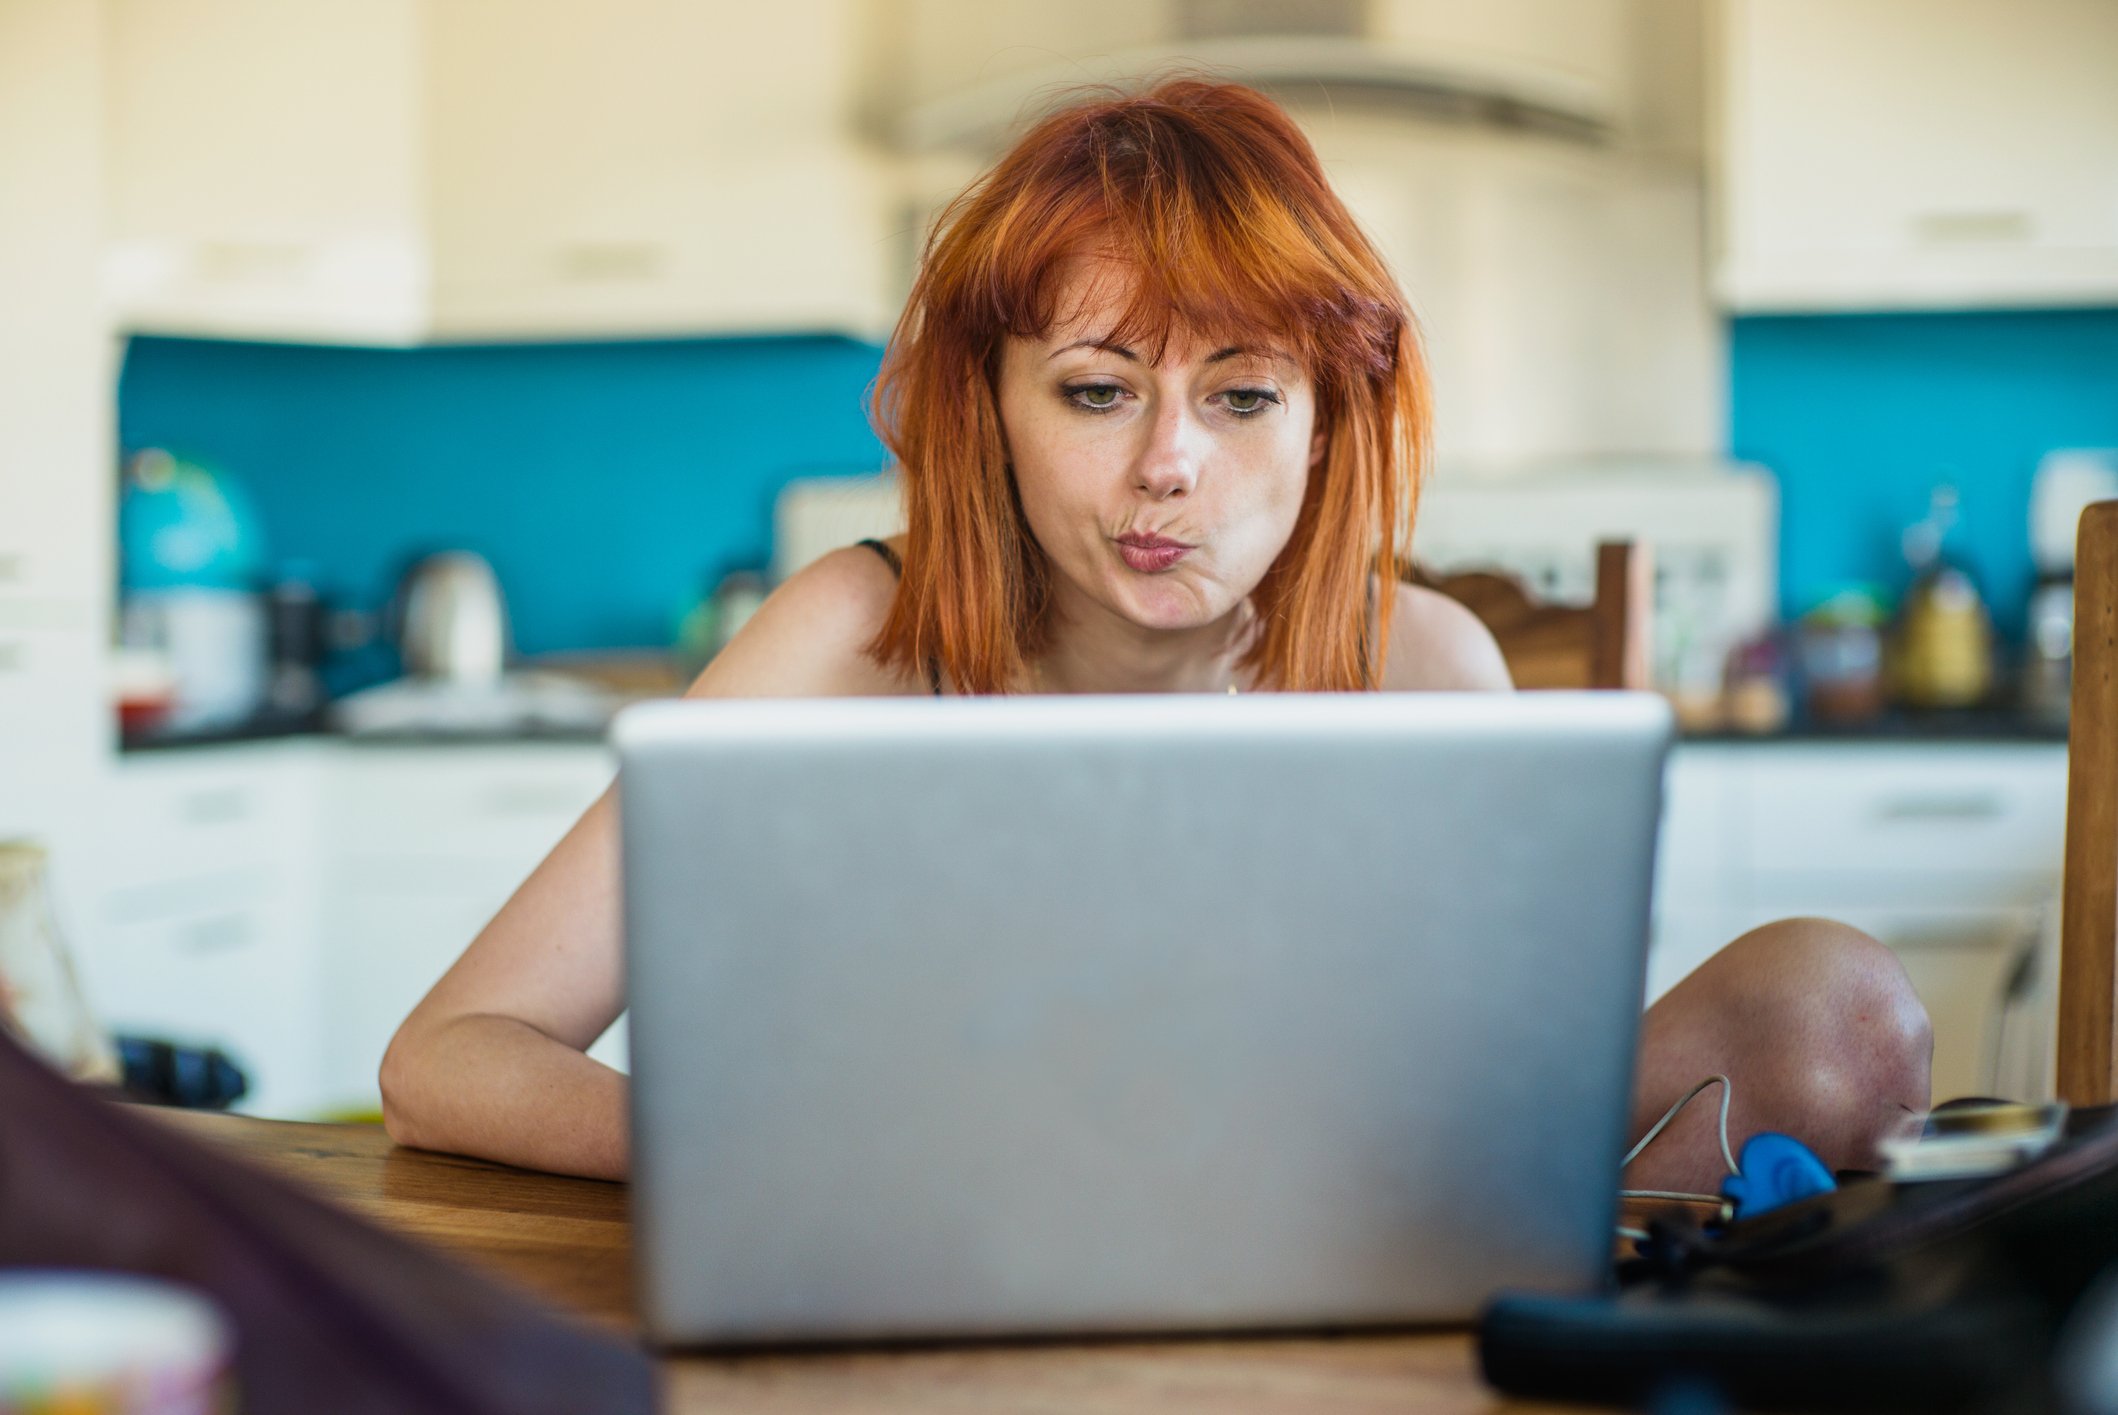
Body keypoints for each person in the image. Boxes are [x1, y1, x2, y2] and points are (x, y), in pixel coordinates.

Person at [381, 79, 1929, 1191]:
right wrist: (769, 1149)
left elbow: (1536, 1109)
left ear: (1330, 422)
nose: (1166, 467)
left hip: (1344, 1230)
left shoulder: (1430, 670)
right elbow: (451, 1052)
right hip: (934, 1254)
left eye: (1242, 395)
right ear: (985, 406)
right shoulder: (848, 633)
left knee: (1838, 1006)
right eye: (1096, 389)